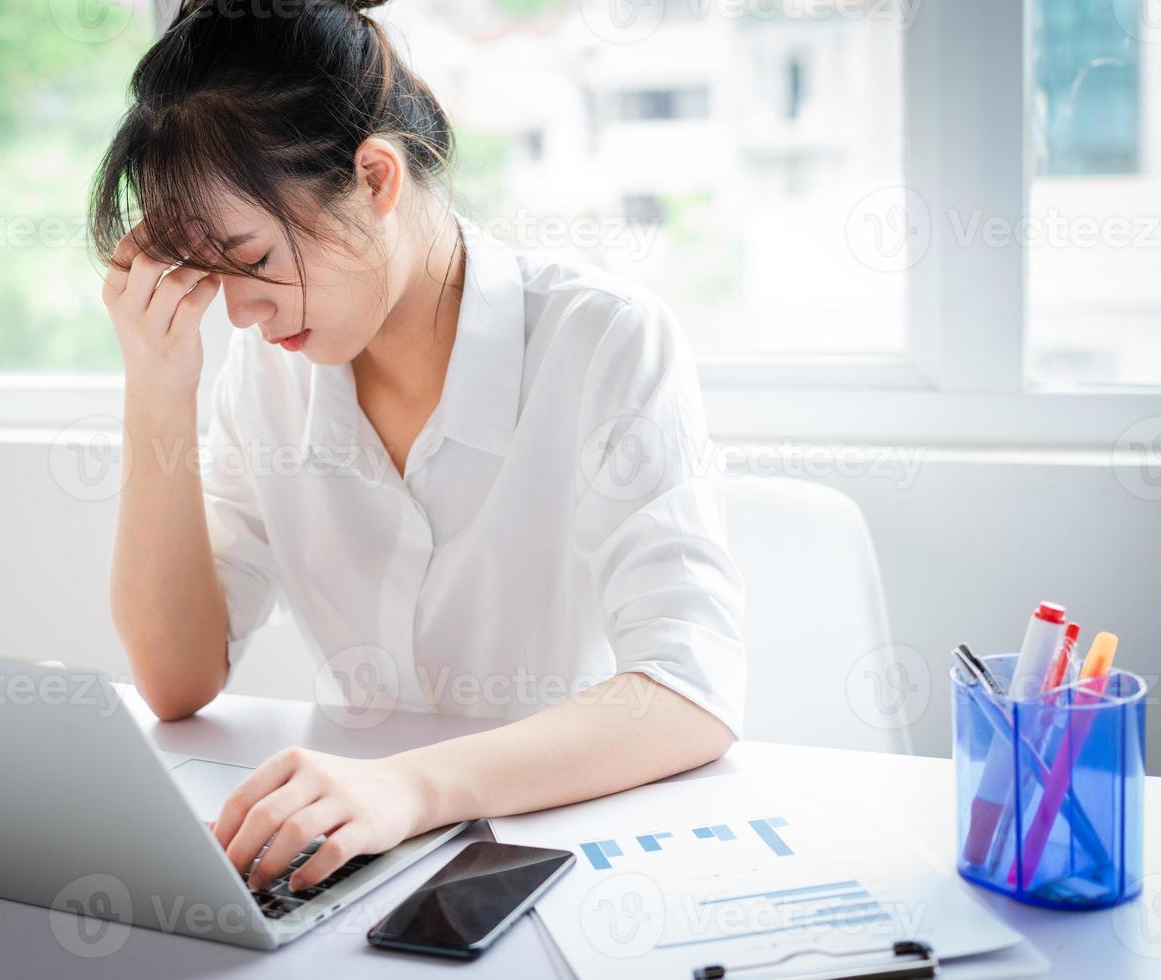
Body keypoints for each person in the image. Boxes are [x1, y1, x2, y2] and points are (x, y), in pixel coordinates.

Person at [89, 0, 745, 898]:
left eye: (253, 261)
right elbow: (176, 680)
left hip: (569, 859)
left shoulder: (604, 343)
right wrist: (158, 390)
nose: (241, 313)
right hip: (347, 862)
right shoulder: (270, 373)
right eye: (212, 279)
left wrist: (408, 788)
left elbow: (687, 695)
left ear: (375, 178)